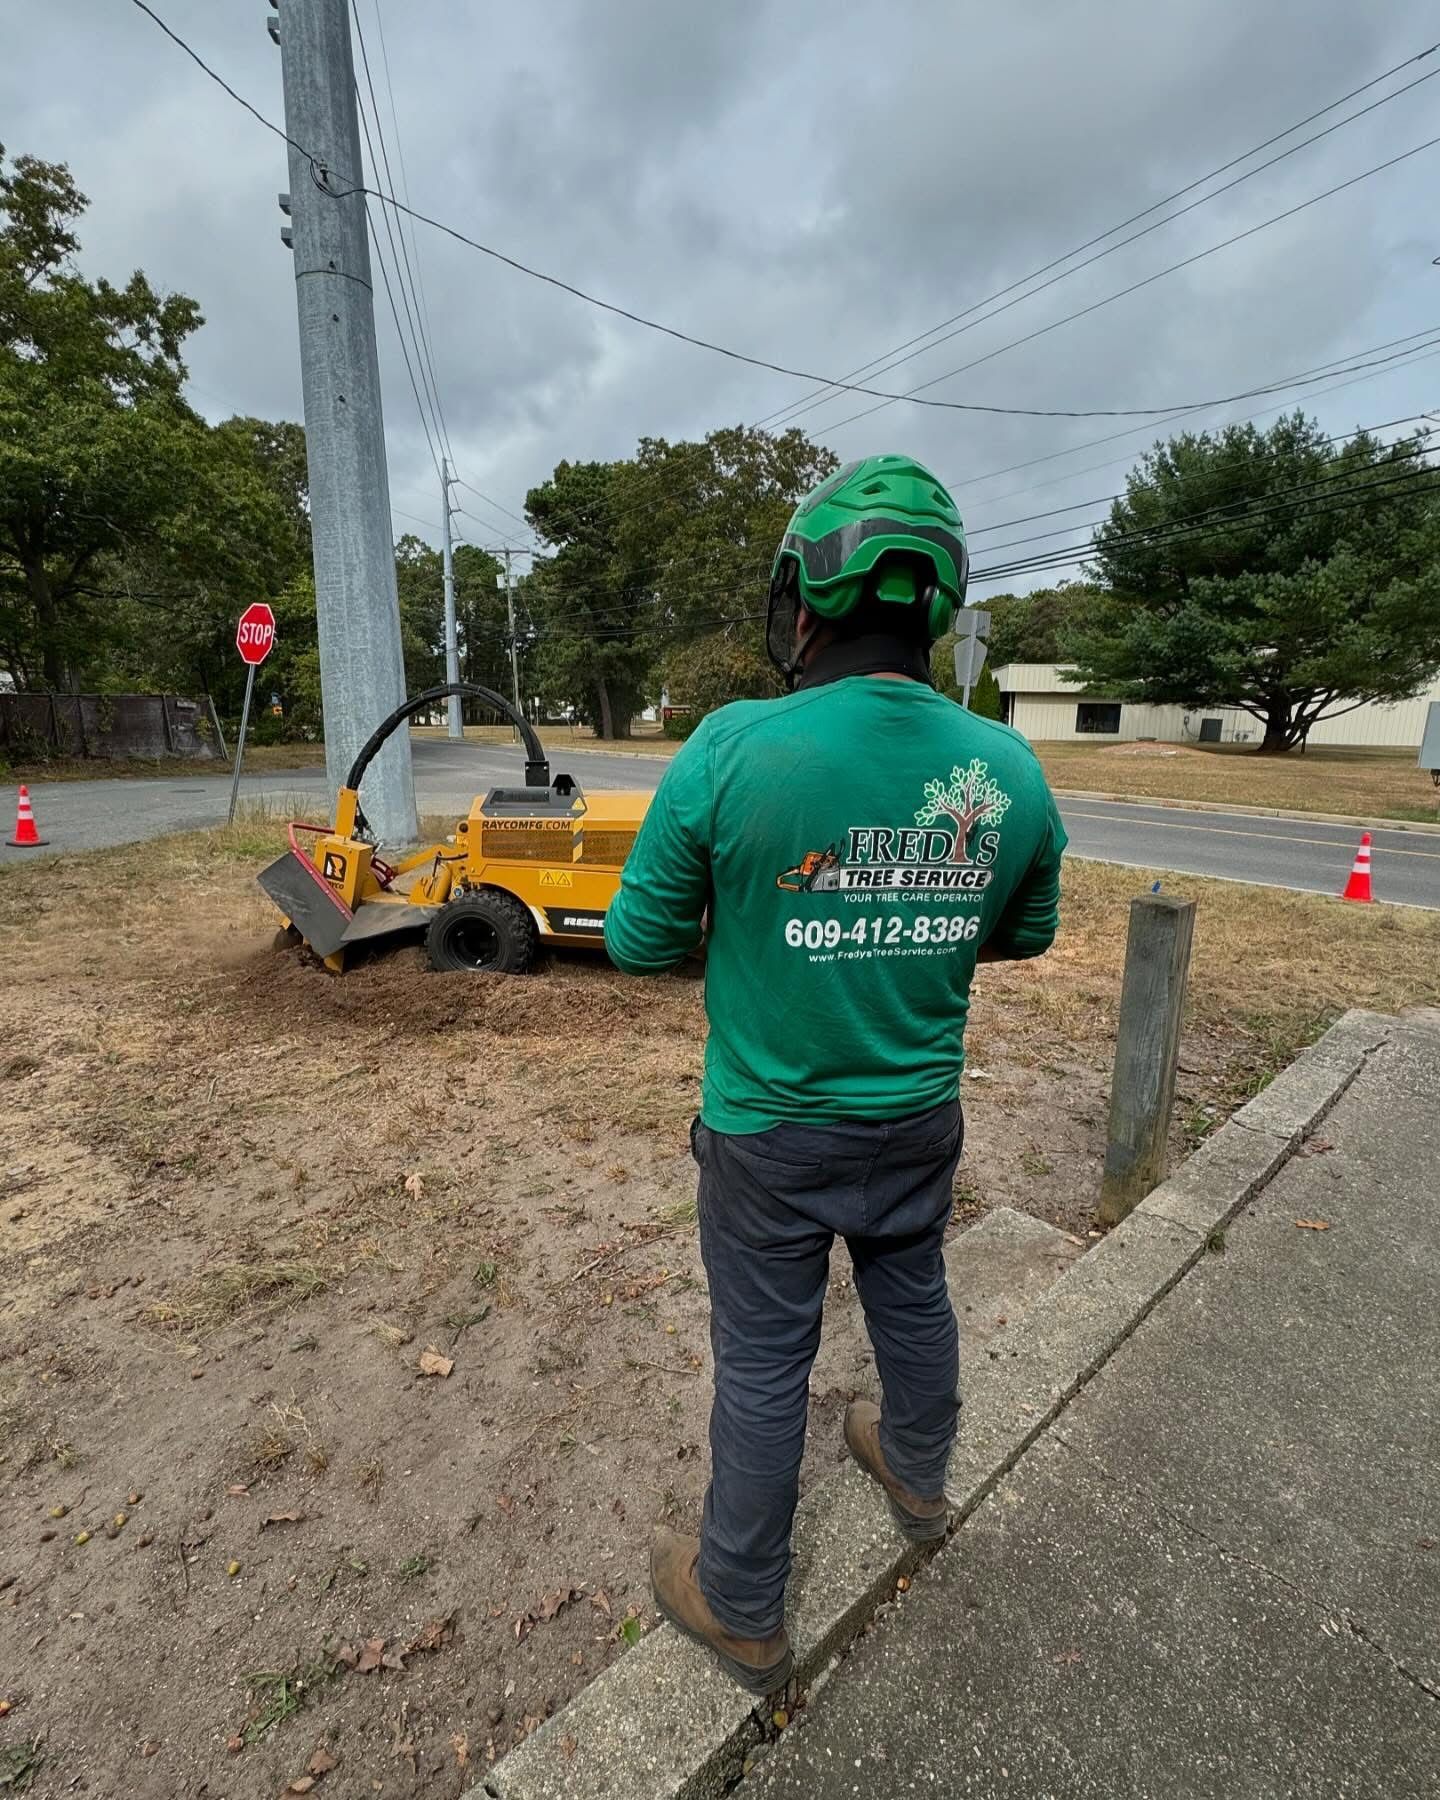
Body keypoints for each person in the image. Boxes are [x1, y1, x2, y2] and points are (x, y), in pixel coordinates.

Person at [604, 454, 1066, 1694]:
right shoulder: (1008, 769)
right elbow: (1025, 931)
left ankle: (743, 1602)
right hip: (918, 1117)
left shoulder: (731, 747)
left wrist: (769, 909)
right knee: (913, 1299)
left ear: (805, 601)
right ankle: (919, 1476)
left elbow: (640, 941)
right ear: (931, 611)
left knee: (765, 1361)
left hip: (766, 1134)